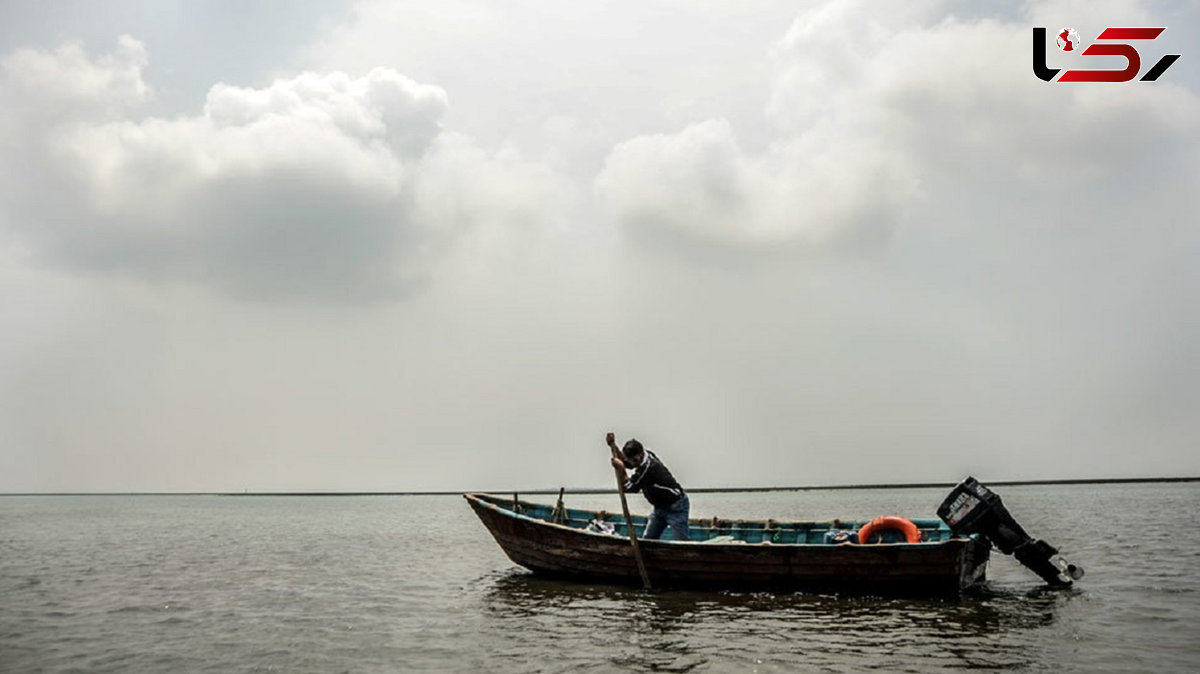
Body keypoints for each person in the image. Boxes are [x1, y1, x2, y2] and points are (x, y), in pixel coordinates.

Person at [607, 432, 690, 541]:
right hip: (660, 508)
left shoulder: (648, 469)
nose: (633, 463)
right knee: (649, 540)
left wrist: (621, 469)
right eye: (631, 460)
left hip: (676, 506)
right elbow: (627, 461)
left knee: (682, 543)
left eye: (635, 460)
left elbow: (627, 488)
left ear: (641, 455)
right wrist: (613, 445)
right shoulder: (645, 456)